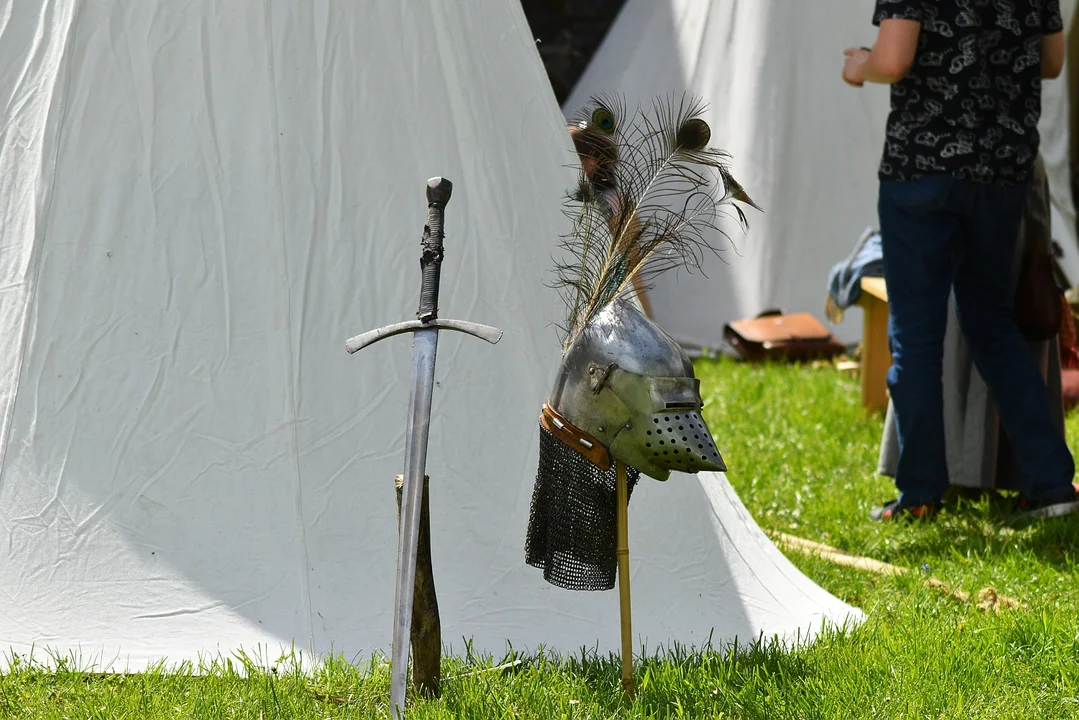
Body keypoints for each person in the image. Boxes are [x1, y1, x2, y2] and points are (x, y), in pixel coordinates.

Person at [842, 0, 1078, 520]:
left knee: (917, 339)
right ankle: (1053, 486)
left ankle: (922, 495)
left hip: (922, 171)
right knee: (993, 326)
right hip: (1002, 170)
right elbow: (1052, 61)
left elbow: (895, 58)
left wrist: (861, 64)